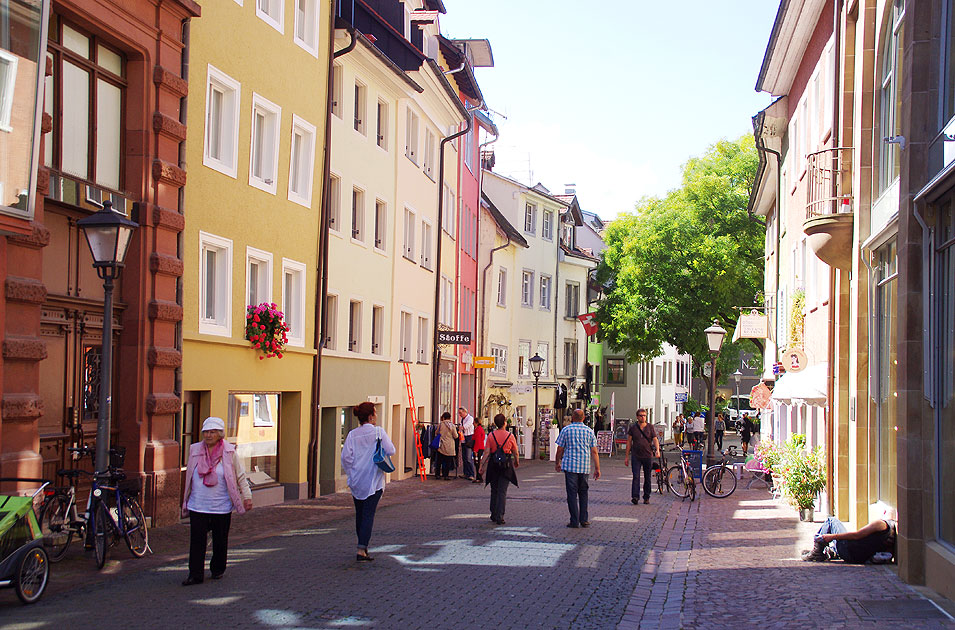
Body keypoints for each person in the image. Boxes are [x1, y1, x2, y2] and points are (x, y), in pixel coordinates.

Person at [181, 416, 253, 585]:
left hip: (221, 505)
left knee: (220, 540)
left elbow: (240, 476)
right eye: (206, 432)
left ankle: (218, 569)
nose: (208, 435)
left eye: (212, 432)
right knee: (197, 541)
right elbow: (189, 474)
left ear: (220, 434)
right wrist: (185, 497)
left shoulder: (229, 452)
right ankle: (195, 574)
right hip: (198, 504)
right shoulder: (195, 450)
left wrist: (247, 496)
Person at [340, 402, 396, 562]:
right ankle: (361, 548)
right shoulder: (378, 432)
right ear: (371, 416)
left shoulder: (352, 434)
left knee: (360, 513)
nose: (376, 416)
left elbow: (346, 457)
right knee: (368, 514)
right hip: (374, 480)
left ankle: (362, 545)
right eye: (375, 413)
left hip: (357, 480)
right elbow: (391, 450)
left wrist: (352, 472)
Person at [555, 408, 600, 528]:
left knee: (572, 494)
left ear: (572, 418)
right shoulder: (589, 431)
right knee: (583, 493)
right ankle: (584, 519)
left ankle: (574, 521)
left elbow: (560, 449)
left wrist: (557, 462)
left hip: (570, 466)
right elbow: (594, 452)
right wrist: (597, 468)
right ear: (583, 418)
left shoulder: (566, 430)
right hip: (584, 467)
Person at [478, 413, 519, 525]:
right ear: (505, 423)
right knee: (502, 491)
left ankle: (493, 513)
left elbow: (486, 452)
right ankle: (500, 515)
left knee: (494, 489)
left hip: (494, 464)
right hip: (506, 465)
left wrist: (481, 466)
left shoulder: (491, 435)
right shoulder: (510, 436)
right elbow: (515, 451)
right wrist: (516, 461)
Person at [802, 517, 897, 564]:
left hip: (848, 549)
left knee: (831, 521)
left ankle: (817, 550)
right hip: (858, 558)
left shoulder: (881, 524)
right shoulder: (889, 539)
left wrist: (832, 536)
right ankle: (831, 551)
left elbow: (857, 535)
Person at [625, 408, 660, 505]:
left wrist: (657, 450)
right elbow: (629, 442)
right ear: (637, 417)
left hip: (647, 455)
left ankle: (646, 496)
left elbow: (655, 439)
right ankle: (635, 497)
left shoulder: (650, 427)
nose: (643, 417)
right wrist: (627, 456)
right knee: (636, 476)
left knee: (647, 477)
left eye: (644, 415)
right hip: (636, 455)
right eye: (641, 415)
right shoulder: (633, 427)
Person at [436, 411, 458, 479]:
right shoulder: (452, 426)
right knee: (448, 461)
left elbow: (436, 432)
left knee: (439, 460)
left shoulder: (441, 424)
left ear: (444, 417)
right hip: (450, 445)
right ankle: (446, 475)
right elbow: (455, 436)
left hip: (441, 444)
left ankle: (438, 474)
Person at [458, 407, 475, 480]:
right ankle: (466, 473)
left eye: (461, 413)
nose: (460, 415)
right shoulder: (462, 419)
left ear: (465, 412)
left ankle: (471, 473)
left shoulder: (470, 418)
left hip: (469, 437)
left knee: (468, 457)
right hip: (464, 438)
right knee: (464, 457)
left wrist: (461, 427)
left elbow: (466, 426)